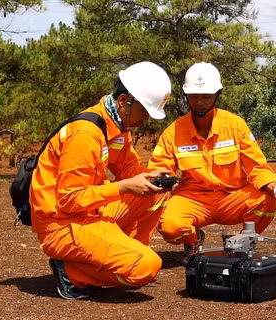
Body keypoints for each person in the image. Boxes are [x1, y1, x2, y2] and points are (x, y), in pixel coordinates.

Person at [30, 61, 173, 300]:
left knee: (156, 193)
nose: (146, 120)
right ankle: (71, 272)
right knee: (145, 268)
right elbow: (69, 199)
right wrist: (125, 186)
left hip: (89, 213)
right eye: (145, 112)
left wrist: (151, 177)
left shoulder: (115, 126)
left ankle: (123, 253)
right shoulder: (86, 134)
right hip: (63, 225)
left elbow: (128, 166)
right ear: (124, 101)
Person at [149, 61, 276, 263]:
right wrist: (164, 181)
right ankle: (193, 241)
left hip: (233, 197)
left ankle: (242, 244)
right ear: (186, 96)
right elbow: (158, 169)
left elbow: (256, 166)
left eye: (206, 97)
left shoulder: (235, 125)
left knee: (267, 201)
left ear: (217, 95)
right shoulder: (174, 131)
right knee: (170, 226)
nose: (199, 102)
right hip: (194, 199)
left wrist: (275, 188)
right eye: (194, 97)